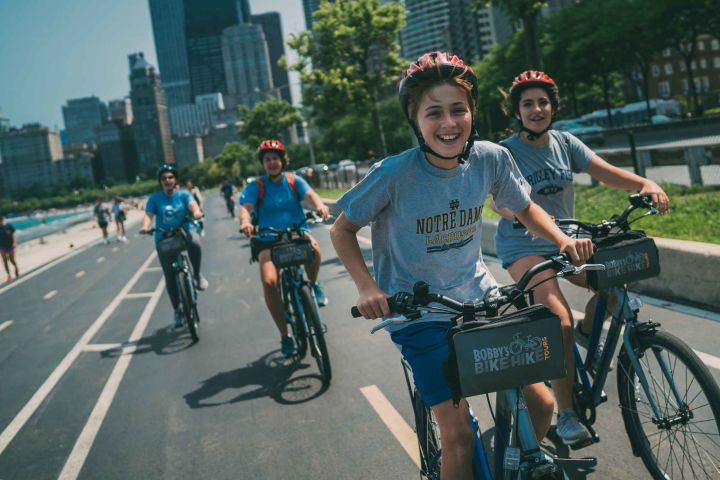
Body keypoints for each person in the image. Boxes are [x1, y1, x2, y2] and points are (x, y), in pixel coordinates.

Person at [329, 52, 593, 480]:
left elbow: (524, 209)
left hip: (481, 298)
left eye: (459, 110)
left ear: (472, 113)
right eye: (435, 113)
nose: (448, 123)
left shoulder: (490, 159)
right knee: (458, 438)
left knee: (543, 404)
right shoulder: (394, 174)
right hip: (420, 314)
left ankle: (508, 464)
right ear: (416, 121)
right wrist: (366, 287)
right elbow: (341, 230)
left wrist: (562, 240)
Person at [493, 70, 670, 446]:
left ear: (553, 107)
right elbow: (501, 201)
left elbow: (605, 172)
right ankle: (567, 412)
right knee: (558, 322)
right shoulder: (506, 152)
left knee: (614, 284)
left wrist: (644, 183)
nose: (537, 109)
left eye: (543, 102)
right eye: (528, 104)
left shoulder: (565, 143)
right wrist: (517, 212)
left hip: (567, 239)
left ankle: (590, 332)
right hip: (522, 246)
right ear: (517, 111)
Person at [239, 139, 331, 357]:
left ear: (283, 161)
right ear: (263, 163)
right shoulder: (256, 186)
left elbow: (311, 196)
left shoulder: (293, 181)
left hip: (296, 231)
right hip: (267, 238)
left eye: (275, 159)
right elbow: (246, 208)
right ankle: (285, 336)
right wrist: (245, 222)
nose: (272, 163)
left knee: (315, 250)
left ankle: (314, 285)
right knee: (270, 282)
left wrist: (320, 206)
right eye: (267, 159)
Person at [140, 164, 209, 328]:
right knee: (169, 275)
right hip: (164, 235)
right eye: (164, 178)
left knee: (195, 242)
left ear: (175, 180)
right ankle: (178, 310)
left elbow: (193, 206)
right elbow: (148, 215)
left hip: (184, 230)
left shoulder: (184, 195)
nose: (167, 180)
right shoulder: (155, 198)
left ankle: (197, 276)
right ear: (160, 182)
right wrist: (146, 226)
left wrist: (197, 213)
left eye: (170, 177)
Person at [0, 215, 19, 282]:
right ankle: (9, 275)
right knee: (5, 261)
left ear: (2, 220)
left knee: (12, 260)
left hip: (10, 246)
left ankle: (16, 266)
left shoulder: (8, 226)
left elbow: (13, 234)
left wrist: (14, 243)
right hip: (2, 247)